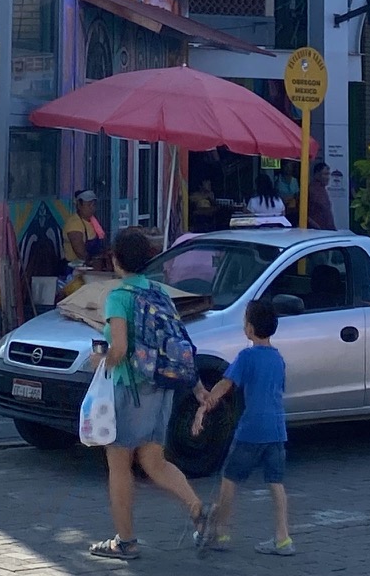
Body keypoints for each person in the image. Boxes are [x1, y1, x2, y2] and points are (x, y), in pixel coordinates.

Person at [87, 227, 208, 561]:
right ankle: (196, 507)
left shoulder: (119, 296)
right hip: (161, 386)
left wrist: (100, 360)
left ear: (115, 259)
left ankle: (125, 541)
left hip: (131, 388)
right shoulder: (158, 292)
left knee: (119, 464)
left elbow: (120, 348)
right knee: (154, 461)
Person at [193, 297, 293, 557]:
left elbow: (225, 385)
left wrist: (205, 405)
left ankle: (221, 532)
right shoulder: (278, 359)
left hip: (251, 429)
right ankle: (283, 537)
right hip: (277, 429)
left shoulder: (246, 357)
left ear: (248, 328)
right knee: (276, 483)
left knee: (230, 480)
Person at [64, 189, 109, 269]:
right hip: (76, 269)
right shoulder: (74, 224)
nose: (92, 208)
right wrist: (94, 262)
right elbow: (80, 253)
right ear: (79, 205)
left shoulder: (94, 222)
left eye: (94, 205)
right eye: (89, 205)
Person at [305, 161, 335, 231]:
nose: (328, 177)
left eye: (328, 174)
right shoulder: (312, 189)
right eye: (325, 174)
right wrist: (315, 226)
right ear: (317, 174)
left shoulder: (322, 189)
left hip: (326, 229)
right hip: (317, 230)